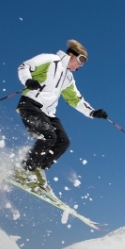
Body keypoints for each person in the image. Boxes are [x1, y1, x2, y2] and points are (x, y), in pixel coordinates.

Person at [14, 39, 108, 191]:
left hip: (48, 113)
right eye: (80, 60)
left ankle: (38, 169)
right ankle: (24, 170)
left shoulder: (68, 78)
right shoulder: (51, 60)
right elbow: (25, 66)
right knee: (48, 136)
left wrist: (92, 112)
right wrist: (28, 80)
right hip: (30, 105)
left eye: (83, 63)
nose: (80, 65)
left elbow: (75, 99)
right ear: (71, 54)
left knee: (63, 141)